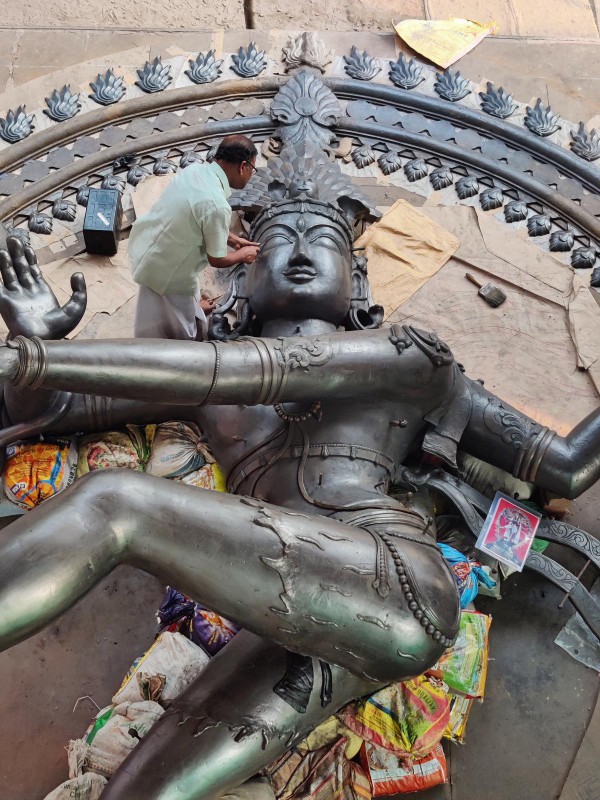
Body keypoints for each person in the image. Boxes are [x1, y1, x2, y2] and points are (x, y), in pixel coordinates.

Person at [0, 143, 599, 799]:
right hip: (310, 621)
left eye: (325, 242)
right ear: (242, 271)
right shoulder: (203, 371)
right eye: (280, 241)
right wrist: (39, 352)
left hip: (396, 583)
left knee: (115, 504)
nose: (304, 254)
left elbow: (565, 466)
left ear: (356, 276)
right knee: (140, 791)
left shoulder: (411, 360)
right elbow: (60, 409)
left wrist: (38, 361)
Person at [128, 134, 260, 340]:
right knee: (180, 331)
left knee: (156, 304)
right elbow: (216, 259)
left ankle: (193, 309)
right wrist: (243, 255)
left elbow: (198, 218)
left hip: (153, 248)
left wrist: (233, 240)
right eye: (253, 169)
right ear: (243, 166)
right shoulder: (217, 205)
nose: (251, 175)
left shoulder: (194, 171)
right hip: (170, 275)